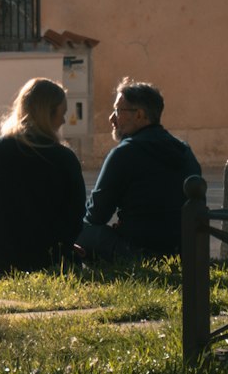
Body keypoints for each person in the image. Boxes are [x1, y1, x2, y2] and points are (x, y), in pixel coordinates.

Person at [0, 78, 86, 279]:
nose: (64, 121)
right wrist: (61, 243)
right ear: (48, 114)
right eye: (62, 113)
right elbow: (75, 217)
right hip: (49, 262)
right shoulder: (63, 158)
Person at [78, 77, 201, 261]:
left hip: (137, 252)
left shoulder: (125, 153)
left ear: (140, 115)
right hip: (182, 253)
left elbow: (96, 216)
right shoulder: (184, 150)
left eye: (118, 110)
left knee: (76, 229)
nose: (112, 118)